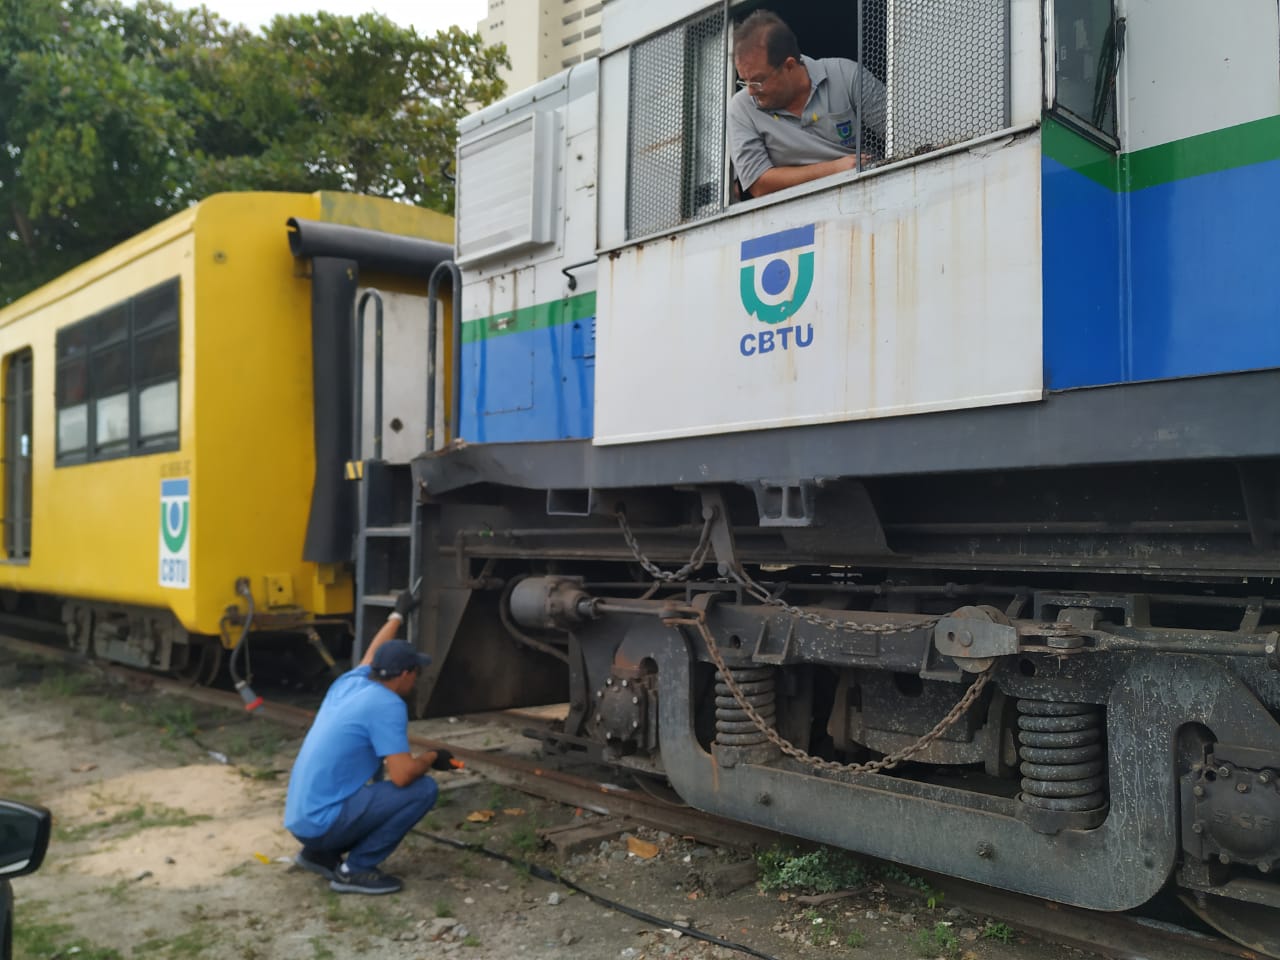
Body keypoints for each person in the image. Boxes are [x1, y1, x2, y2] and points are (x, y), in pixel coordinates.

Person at [284, 586, 453, 895]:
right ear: (404, 674)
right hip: (323, 823)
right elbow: (402, 777)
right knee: (423, 789)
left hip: (302, 819)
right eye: (416, 672)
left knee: (369, 781)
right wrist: (431, 758)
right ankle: (355, 870)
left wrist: (398, 614)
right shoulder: (387, 704)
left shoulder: (352, 682)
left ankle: (318, 855)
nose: (417, 678)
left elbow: (373, 653)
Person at [728, 10, 887, 198]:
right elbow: (759, 183)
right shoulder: (741, 108)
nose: (751, 91)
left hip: (871, 191)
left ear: (789, 65)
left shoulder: (846, 75)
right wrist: (834, 169)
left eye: (758, 81)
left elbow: (901, 133)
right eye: (744, 81)